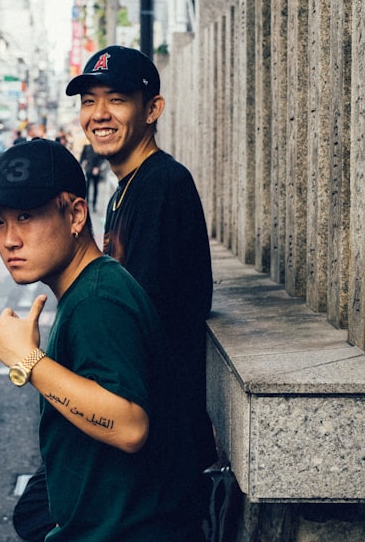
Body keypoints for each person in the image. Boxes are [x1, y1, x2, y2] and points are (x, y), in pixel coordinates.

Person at [14, 45, 220, 541]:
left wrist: (32, 363)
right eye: (89, 101)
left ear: (152, 110)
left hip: (154, 445)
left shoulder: (161, 186)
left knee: (45, 514)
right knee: (37, 509)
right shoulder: (131, 186)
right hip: (150, 427)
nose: (99, 114)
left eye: (117, 100)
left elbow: (128, 324)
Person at [0, 139, 203, 541]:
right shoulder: (91, 287)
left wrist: (27, 360)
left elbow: (130, 427)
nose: (9, 239)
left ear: (76, 214)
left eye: (26, 216)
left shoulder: (97, 300)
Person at [78, 143, 107, 213]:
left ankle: (94, 205)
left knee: (95, 188)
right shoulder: (87, 147)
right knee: (87, 187)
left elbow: (103, 160)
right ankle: (86, 203)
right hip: (88, 170)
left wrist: (98, 168)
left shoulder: (99, 147)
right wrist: (81, 166)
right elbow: (82, 158)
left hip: (96, 172)